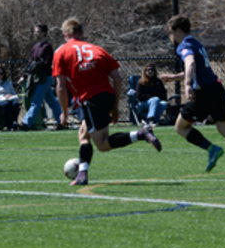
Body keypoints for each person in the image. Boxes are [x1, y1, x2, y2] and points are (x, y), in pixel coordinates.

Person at [52, 17, 162, 186]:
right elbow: (117, 77)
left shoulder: (61, 52)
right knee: (83, 134)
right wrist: (115, 105)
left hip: (90, 99)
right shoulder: (97, 49)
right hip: (106, 95)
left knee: (102, 144)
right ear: (81, 32)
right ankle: (82, 173)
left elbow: (60, 86)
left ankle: (141, 134)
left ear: (65, 34)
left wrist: (64, 113)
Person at [162, 14, 225, 179]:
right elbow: (197, 69)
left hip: (204, 93)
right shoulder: (196, 43)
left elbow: (190, 63)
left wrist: (187, 85)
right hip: (217, 89)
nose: (171, 37)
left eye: (171, 33)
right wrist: (174, 78)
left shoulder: (184, 45)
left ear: (177, 30)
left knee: (180, 127)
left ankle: (212, 149)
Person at [20, 24, 62, 130]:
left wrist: (36, 66)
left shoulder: (47, 47)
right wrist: (25, 75)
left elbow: (46, 63)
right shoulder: (35, 46)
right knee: (52, 101)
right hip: (36, 77)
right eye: (35, 31)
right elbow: (30, 62)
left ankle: (26, 123)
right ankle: (62, 121)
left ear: (44, 33)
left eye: (38, 32)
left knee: (36, 101)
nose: (35, 33)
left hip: (44, 77)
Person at [0, 65, 21, 130]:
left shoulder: (8, 83)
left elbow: (13, 93)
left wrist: (11, 96)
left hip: (9, 99)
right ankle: (9, 124)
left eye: (1, 73)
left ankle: (14, 122)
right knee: (7, 104)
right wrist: (3, 96)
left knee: (15, 104)